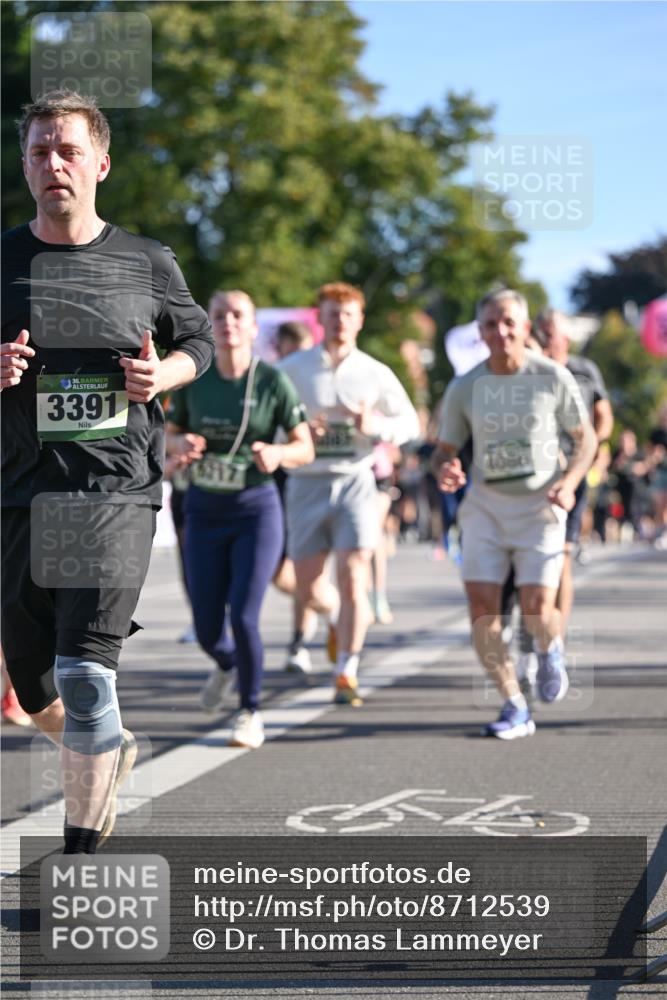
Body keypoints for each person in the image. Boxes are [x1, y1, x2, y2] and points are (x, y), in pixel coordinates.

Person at [1, 91, 213, 853]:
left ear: (100, 162)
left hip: (113, 494)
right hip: (20, 494)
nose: (52, 163)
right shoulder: (3, 260)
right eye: (37, 152)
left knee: (87, 675)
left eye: (66, 150)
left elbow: (199, 341)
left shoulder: (145, 262)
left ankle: (80, 857)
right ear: (24, 165)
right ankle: (106, 743)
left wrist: (166, 377)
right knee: (35, 693)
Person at [432, 289, 597, 740]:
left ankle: (551, 649)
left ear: (525, 328)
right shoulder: (465, 386)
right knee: (483, 611)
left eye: (508, 322)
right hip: (485, 504)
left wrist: (570, 482)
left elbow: (586, 441)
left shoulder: (552, 376)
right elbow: (444, 448)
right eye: (490, 324)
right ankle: (514, 705)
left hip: (541, 504)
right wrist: (446, 467)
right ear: (480, 332)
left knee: (535, 610)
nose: (500, 332)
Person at [166, 291, 313, 749]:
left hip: (256, 510)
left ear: (253, 328)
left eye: (238, 315)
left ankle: (250, 711)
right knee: (208, 627)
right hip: (204, 510)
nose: (228, 322)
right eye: (220, 315)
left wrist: (278, 452)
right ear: (209, 324)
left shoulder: (272, 381)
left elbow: (304, 446)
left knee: (245, 616)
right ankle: (226, 664)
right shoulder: (195, 379)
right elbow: (168, 434)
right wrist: (180, 444)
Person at [279, 282, 420, 706]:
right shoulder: (292, 369)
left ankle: (347, 671)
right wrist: (302, 430)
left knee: (355, 575)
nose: (340, 321)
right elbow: (267, 422)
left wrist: (375, 428)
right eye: (332, 313)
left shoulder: (374, 372)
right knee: (306, 588)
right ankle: (337, 619)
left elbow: (410, 423)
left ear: (359, 320)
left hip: (355, 480)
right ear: (319, 318)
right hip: (306, 481)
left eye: (348, 314)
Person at [537, 309, 613, 632]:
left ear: (565, 338)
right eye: (539, 332)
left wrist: (593, 449)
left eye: (549, 333)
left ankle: (555, 638)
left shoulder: (584, 370)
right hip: (534, 471)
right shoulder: (529, 370)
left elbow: (604, 418)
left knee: (562, 556)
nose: (543, 339)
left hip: (572, 472)